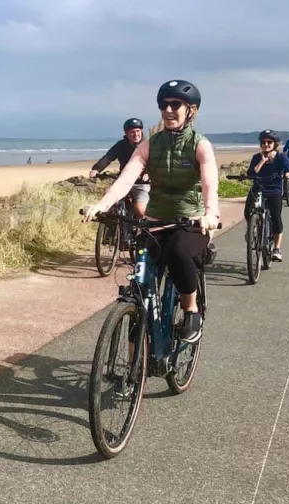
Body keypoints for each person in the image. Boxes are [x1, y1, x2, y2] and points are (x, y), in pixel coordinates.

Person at [81, 80, 220, 344]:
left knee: (178, 252)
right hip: (155, 222)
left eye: (175, 104)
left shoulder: (200, 145)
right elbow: (126, 178)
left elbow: (209, 184)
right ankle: (131, 377)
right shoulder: (150, 145)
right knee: (141, 291)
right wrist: (102, 205)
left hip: (190, 221)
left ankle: (191, 310)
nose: (168, 110)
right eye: (163, 105)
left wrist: (211, 214)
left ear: (191, 110)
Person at [246, 130, 289, 262]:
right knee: (247, 211)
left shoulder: (281, 157)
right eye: (263, 142)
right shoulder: (257, 157)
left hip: (274, 190)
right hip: (258, 188)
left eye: (269, 142)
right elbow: (251, 173)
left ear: (275, 144)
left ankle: (277, 248)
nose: (266, 144)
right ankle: (252, 230)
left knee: (276, 218)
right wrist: (262, 161)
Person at [89, 118, 151, 217]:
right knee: (107, 194)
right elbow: (108, 157)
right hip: (122, 180)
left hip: (141, 183)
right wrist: (96, 169)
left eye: (138, 131)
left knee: (140, 209)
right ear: (126, 134)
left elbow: (155, 162)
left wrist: (148, 174)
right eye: (132, 132)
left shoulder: (148, 145)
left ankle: (141, 230)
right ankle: (111, 227)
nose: (135, 134)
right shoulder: (121, 145)